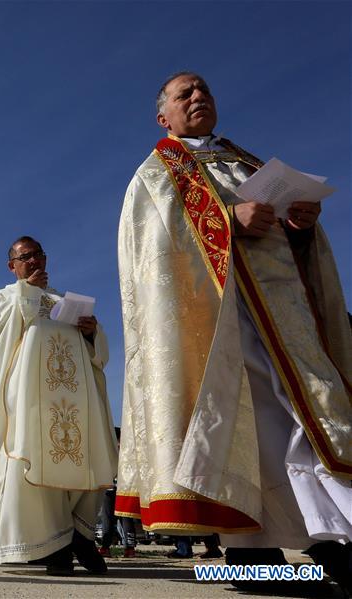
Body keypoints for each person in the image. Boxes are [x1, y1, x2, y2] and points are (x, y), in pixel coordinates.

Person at [116, 72, 352, 593]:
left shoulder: (248, 163)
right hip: (221, 327)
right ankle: (297, 560)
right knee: (263, 428)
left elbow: (285, 241)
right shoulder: (157, 173)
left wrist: (301, 226)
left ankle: (303, 555)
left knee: (298, 420)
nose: (199, 97)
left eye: (204, 90)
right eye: (185, 94)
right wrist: (225, 220)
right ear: (164, 117)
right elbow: (153, 250)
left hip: (283, 322)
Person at [0, 236, 118, 575]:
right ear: (12, 265)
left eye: (39, 255)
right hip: (31, 402)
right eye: (26, 256)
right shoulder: (0, 299)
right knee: (34, 467)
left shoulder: (64, 299)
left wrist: (92, 333)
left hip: (74, 401)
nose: (34, 261)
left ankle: (81, 537)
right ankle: (55, 547)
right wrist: (29, 293)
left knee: (84, 465)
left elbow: (99, 353)